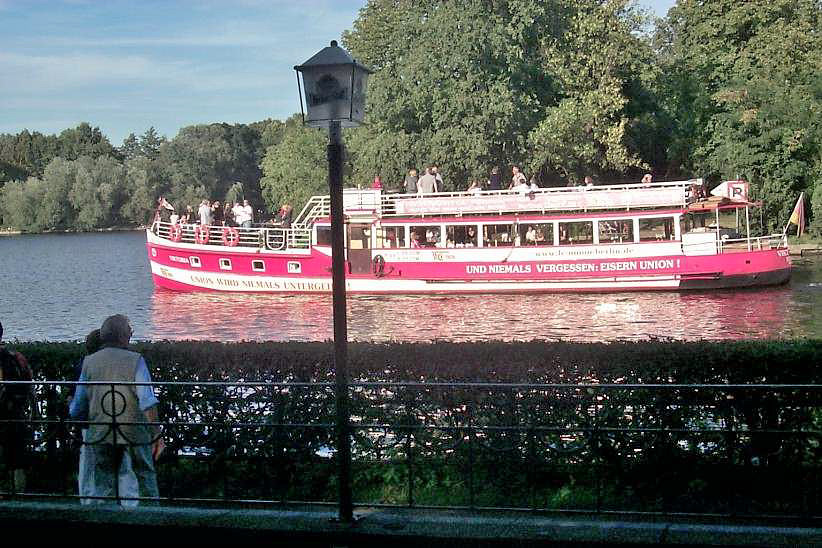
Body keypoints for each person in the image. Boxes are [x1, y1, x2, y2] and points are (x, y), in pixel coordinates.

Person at [70, 315, 164, 506]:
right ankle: (151, 521)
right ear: (123, 336)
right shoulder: (136, 360)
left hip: (101, 431)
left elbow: (78, 406)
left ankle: (108, 522)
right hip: (133, 431)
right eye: (130, 333)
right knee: (144, 477)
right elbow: (147, 401)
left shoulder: (89, 362)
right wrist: (156, 434)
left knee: (104, 484)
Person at [0, 321, 32, 493]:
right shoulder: (17, 357)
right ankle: (19, 496)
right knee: (17, 460)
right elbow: (28, 385)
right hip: (15, 415)